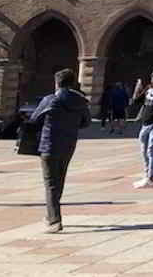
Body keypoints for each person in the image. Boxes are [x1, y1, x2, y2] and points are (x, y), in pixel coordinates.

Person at [29, 68, 90, 233]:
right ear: (72, 83)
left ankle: (54, 220)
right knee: (59, 180)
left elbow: (34, 119)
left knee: (50, 184)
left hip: (49, 145)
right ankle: (51, 215)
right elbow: (86, 123)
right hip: (69, 145)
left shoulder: (50, 100)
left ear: (57, 83)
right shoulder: (80, 101)